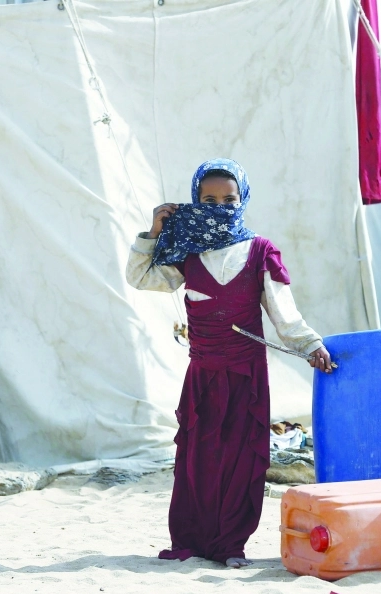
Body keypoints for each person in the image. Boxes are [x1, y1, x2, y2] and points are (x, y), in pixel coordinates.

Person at [126, 159, 332, 568]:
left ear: (244, 199)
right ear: (195, 201)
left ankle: (230, 544)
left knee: (243, 458)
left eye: (229, 198)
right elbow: (140, 278)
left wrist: (310, 345)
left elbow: (283, 312)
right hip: (202, 375)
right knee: (197, 458)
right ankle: (191, 540)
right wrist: (153, 233)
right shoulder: (185, 250)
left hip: (246, 375)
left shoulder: (260, 251)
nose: (219, 206)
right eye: (208, 199)